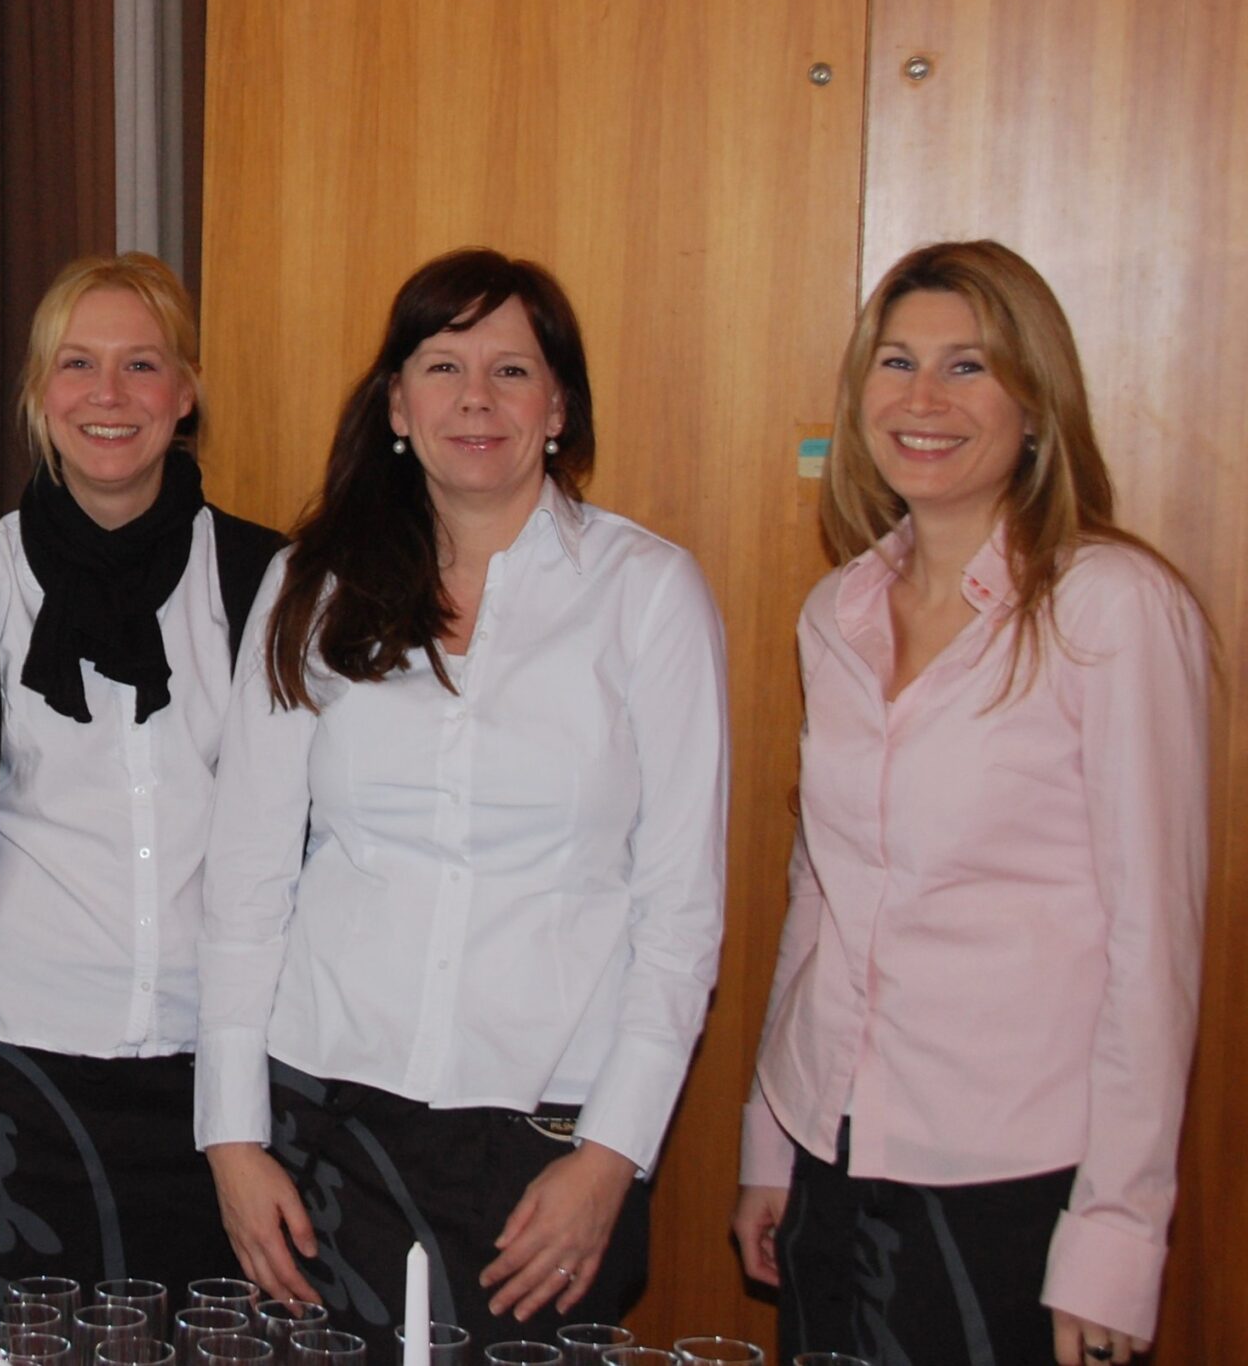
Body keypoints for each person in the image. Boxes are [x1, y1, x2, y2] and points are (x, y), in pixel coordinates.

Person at [196, 249, 729, 1353]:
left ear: (558, 408)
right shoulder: (312, 585)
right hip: (324, 1118)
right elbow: (245, 881)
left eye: (511, 370)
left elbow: (680, 912)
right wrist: (232, 1140)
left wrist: (612, 1158)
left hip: (548, 1147)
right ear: (397, 404)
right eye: (443, 366)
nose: (475, 399)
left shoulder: (647, 594)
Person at [731, 241, 1209, 1366]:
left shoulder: (1110, 608)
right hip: (832, 1159)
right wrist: (773, 1141)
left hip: (1013, 1183)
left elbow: (1153, 949)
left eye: (968, 366)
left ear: (1035, 404)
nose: (923, 399)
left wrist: (1114, 1235)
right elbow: (822, 894)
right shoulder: (836, 611)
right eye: (896, 362)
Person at [0, 253, 283, 1314]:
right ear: (38, 393)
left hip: (222, 1092)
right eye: (77, 364)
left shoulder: (270, 584)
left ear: (185, 393)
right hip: (15, 1084)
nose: (109, 395)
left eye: (141, 364)